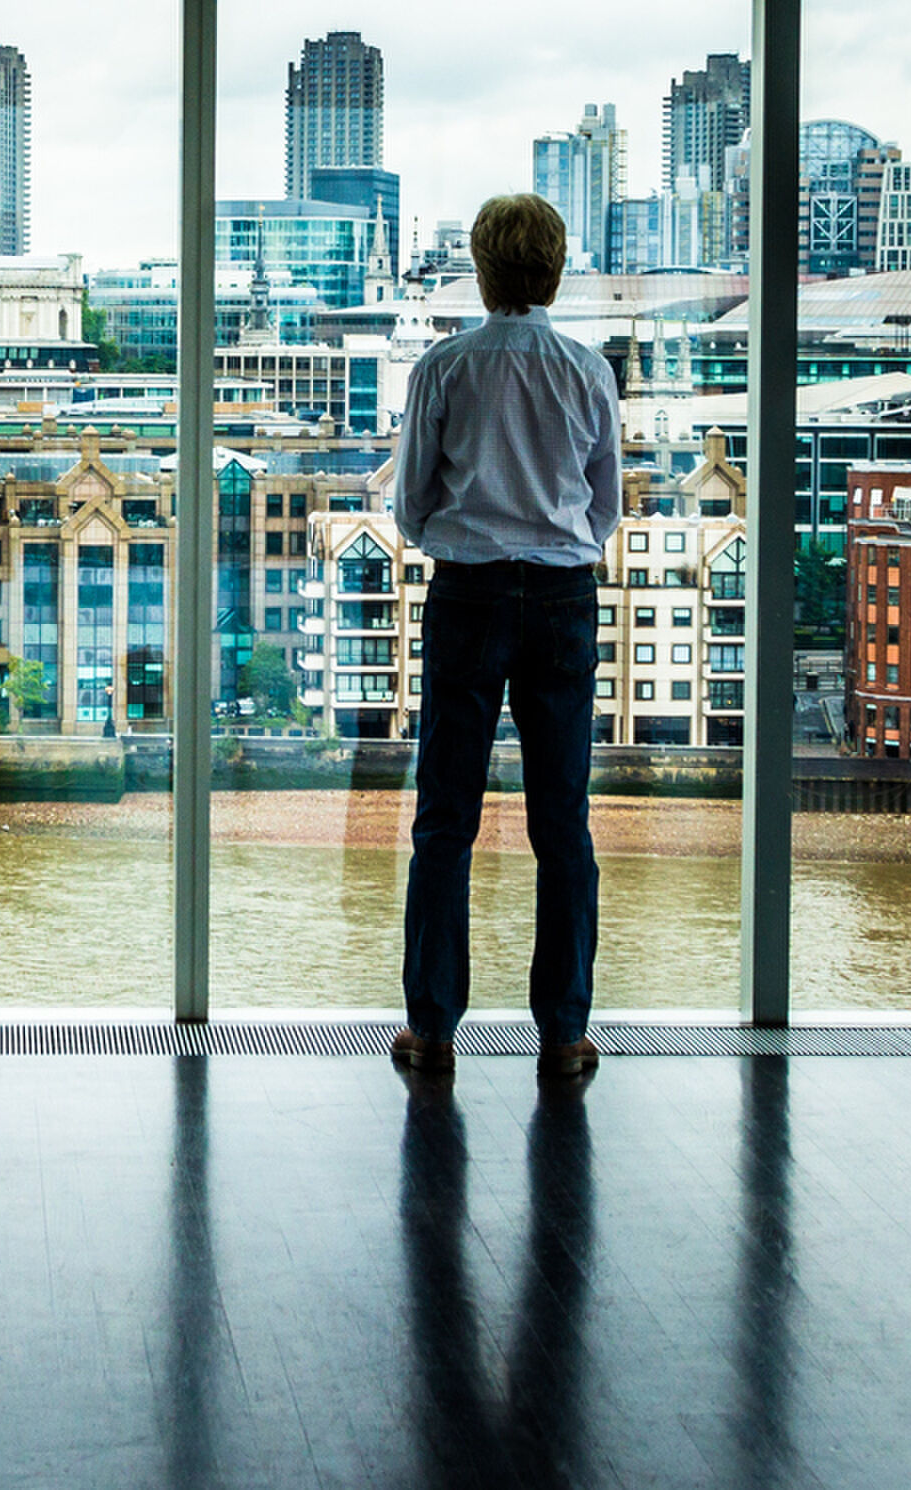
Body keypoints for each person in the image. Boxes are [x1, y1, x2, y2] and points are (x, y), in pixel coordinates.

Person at [389, 193, 616, 1082]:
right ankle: (562, 1035)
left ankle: (433, 1029)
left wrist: (468, 530)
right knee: (563, 822)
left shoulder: (444, 368)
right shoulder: (588, 370)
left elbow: (410, 503)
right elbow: (604, 505)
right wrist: (555, 538)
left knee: (446, 817)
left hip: (470, 594)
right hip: (563, 597)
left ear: (480, 270)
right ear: (553, 271)